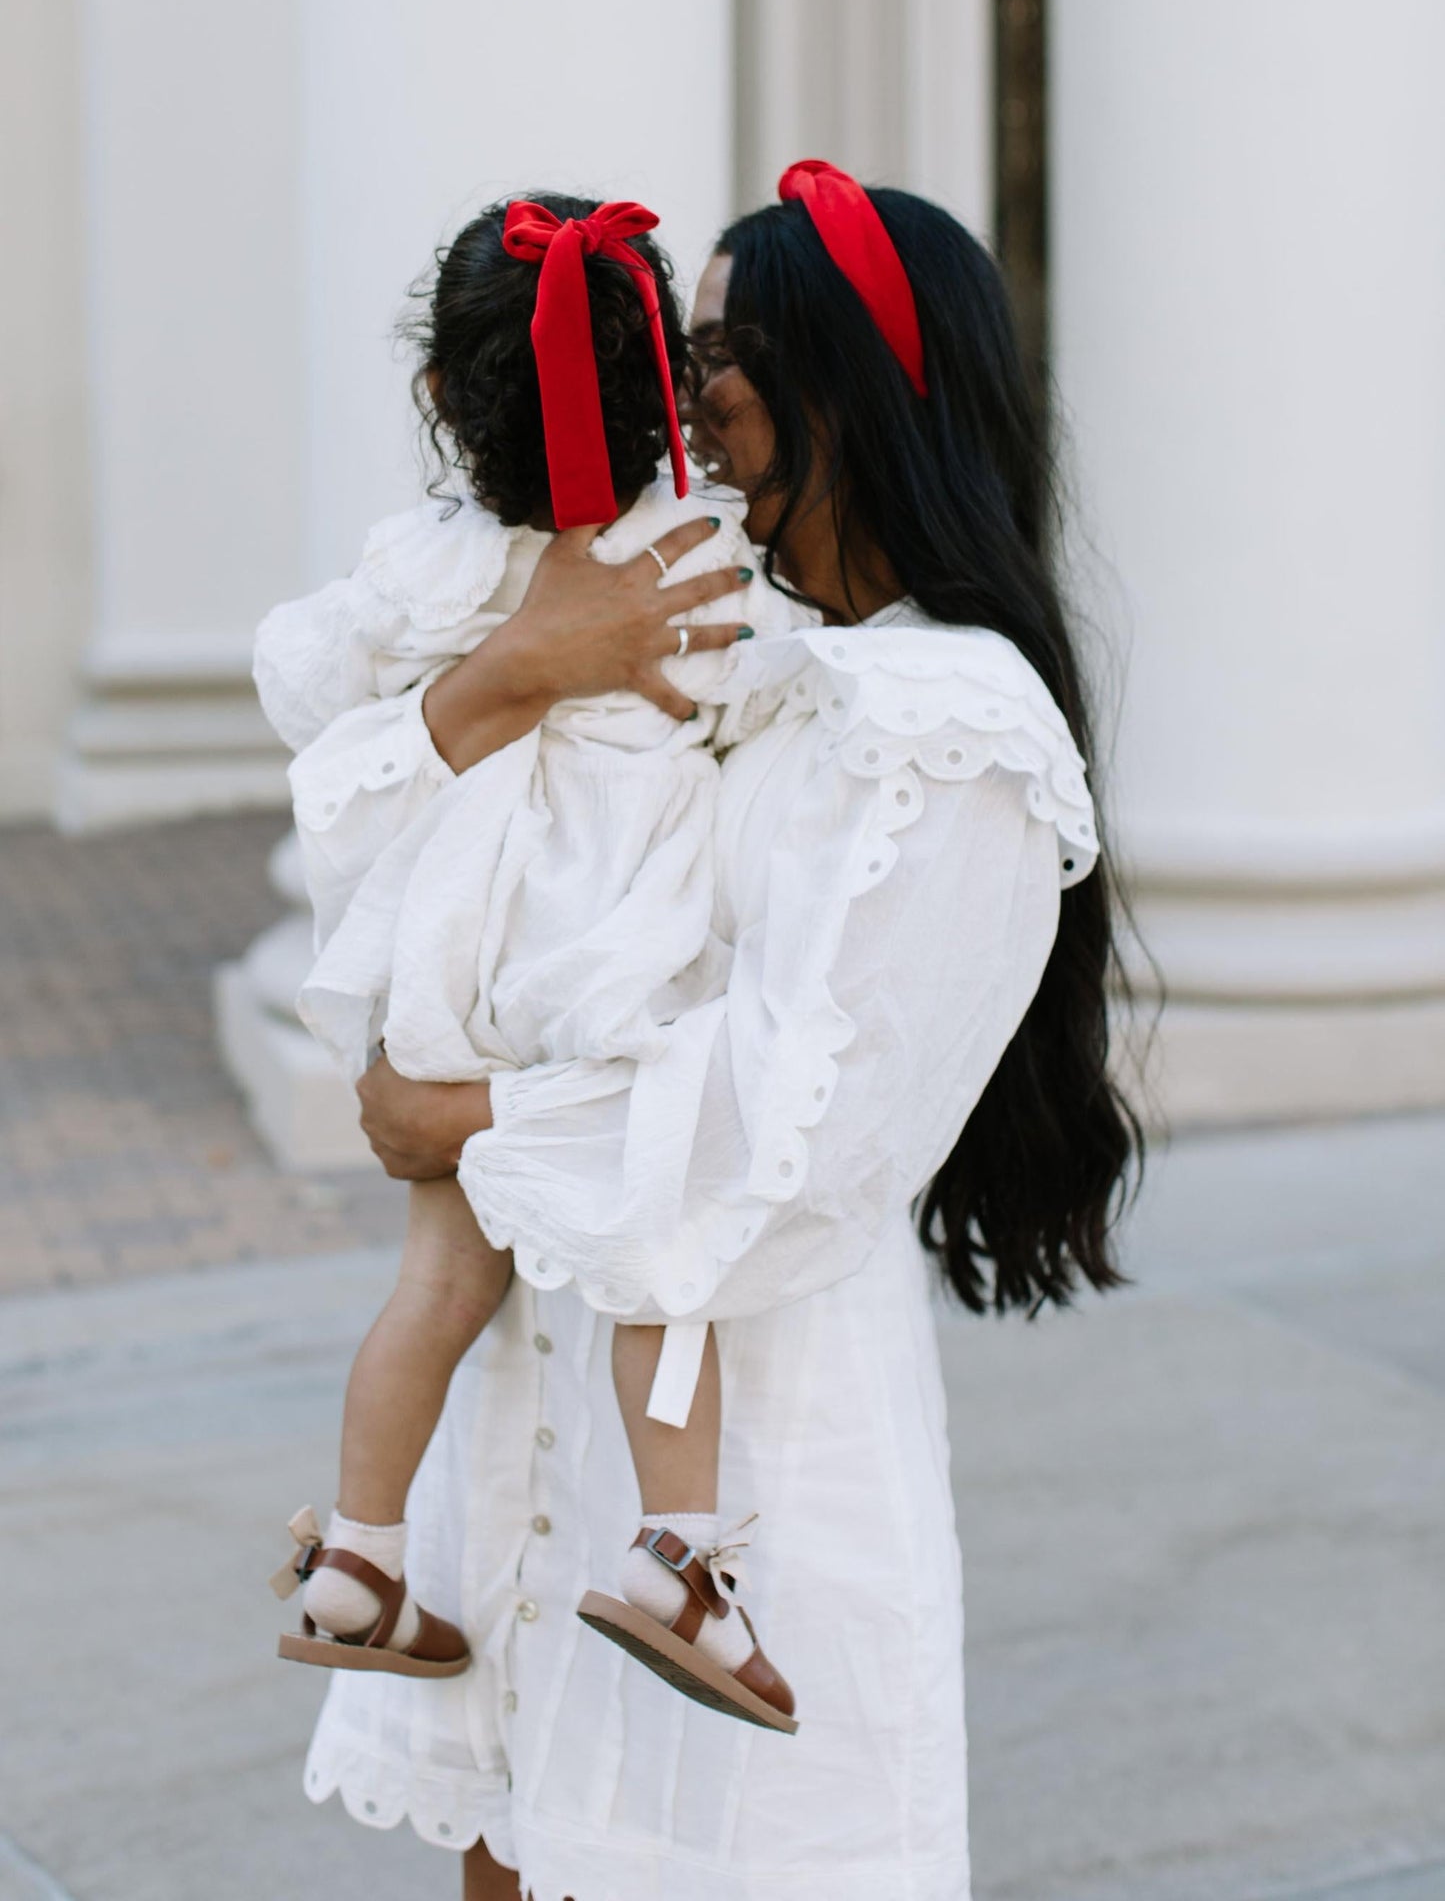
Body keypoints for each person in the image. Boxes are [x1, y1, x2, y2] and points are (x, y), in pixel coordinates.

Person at [300, 161, 1141, 1901]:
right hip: (548, 1434)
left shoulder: (946, 722)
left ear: (834, 395)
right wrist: (515, 669)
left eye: (720, 379)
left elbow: (796, 1137)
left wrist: (453, 1119)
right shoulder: (722, 646)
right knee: (511, 1853)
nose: (684, 419)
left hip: (743, 1478)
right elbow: (424, 850)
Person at [254, 194, 801, 1728]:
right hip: (607, 968)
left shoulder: (419, 566)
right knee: (661, 1246)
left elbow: (302, 677)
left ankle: (358, 1566)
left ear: (441, 397)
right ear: (672, 399)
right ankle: (674, 1554)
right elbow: (759, 701)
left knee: (435, 1277)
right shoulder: (688, 555)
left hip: (455, 965)